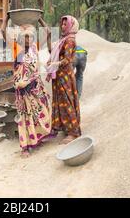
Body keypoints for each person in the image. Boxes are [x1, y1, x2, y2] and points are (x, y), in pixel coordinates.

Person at [13, 25, 52, 157]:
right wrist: (22, 84)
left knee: (41, 112)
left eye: (29, 37)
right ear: (20, 40)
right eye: (25, 37)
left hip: (36, 87)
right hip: (25, 91)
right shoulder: (19, 55)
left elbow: (48, 32)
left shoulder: (34, 50)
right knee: (25, 117)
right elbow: (17, 74)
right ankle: (25, 147)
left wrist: (40, 20)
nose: (27, 40)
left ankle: (37, 138)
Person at [46, 15, 81, 144]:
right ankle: (61, 126)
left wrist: (56, 64)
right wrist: (49, 37)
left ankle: (73, 132)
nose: (62, 26)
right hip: (59, 75)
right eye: (62, 24)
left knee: (66, 101)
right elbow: (52, 52)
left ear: (71, 26)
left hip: (65, 76)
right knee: (59, 100)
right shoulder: (63, 39)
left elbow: (67, 60)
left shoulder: (70, 40)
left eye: (65, 24)